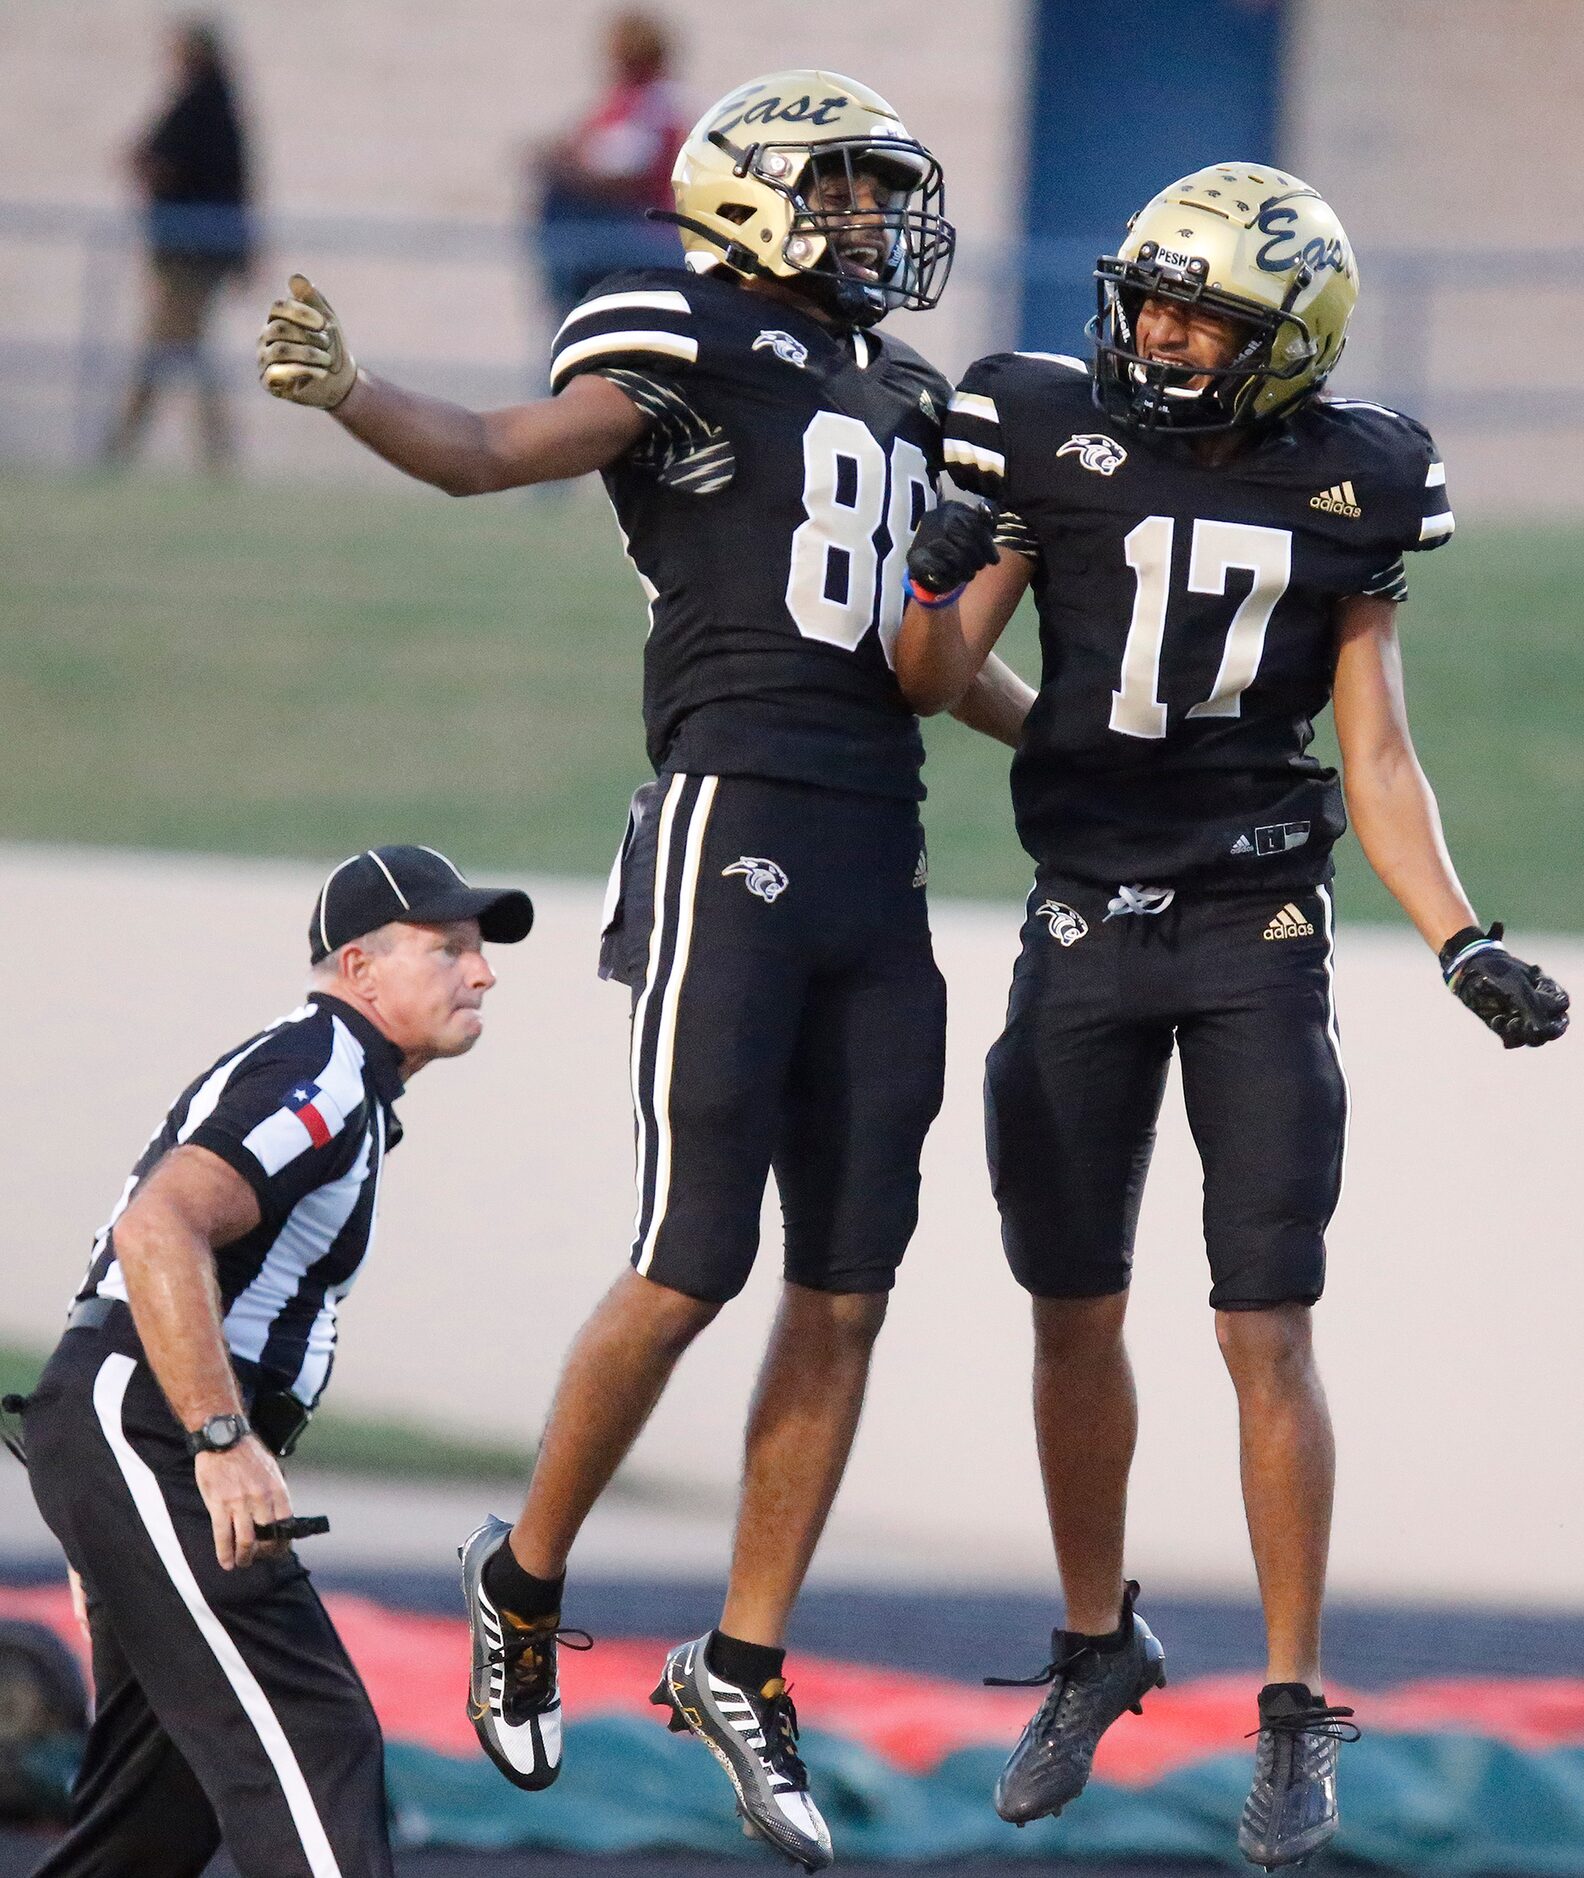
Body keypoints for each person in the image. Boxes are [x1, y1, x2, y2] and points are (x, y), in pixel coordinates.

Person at [258, 69, 1028, 1872]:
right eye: (841, 190)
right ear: (755, 197)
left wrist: (1077, 735)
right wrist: (352, 390)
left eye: (878, 191)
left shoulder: (912, 391)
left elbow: (928, 665)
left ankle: (742, 1658)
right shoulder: (684, 331)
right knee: (694, 1257)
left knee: (847, 1287)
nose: (872, 222)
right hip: (729, 819)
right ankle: (520, 1575)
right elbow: (488, 451)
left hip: (878, 850)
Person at [895, 164, 1570, 1869]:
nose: (1162, 335)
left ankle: (1289, 1703)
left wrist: (1457, 935)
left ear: (1292, 345)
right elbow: (926, 677)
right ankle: (1091, 1639)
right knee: (1071, 1304)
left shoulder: (1362, 476)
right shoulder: (1039, 431)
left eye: (1204, 317)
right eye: (1155, 301)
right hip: (1080, 919)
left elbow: (1379, 750)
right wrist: (949, 572)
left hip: (1255, 922)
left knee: (1263, 1319)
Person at [16, 846, 532, 1878]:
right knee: (314, 1734)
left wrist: (111, 1508)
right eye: (450, 949)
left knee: (157, 1809)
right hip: (158, 1425)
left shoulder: (334, 1079)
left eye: (479, 951)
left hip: (132, 1430)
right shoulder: (322, 1073)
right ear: (358, 966)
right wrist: (216, 1436)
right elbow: (158, 1232)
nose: (482, 974)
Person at [104, 18, 254, 471]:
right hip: (191, 252)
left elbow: (164, 163)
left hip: (190, 255)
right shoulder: (214, 108)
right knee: (185, 349)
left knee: (166, 348)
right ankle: (214, 452)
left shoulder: (200, 109)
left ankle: (122, 448)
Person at [533, 10, 688, 327]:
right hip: (625, 234)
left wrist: (561, 166)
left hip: (646, 236)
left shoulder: (656, 104)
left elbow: (625, 176)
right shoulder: (621, 104)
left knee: (561, 204)